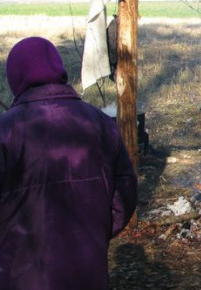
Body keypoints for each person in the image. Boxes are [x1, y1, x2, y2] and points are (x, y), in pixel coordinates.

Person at [0, 37, 138, 290]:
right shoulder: (99, 123)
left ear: (15, 79)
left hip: (20, 274)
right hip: (87, 270)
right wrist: (96, 231)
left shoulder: (6, 130)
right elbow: (125, 192)